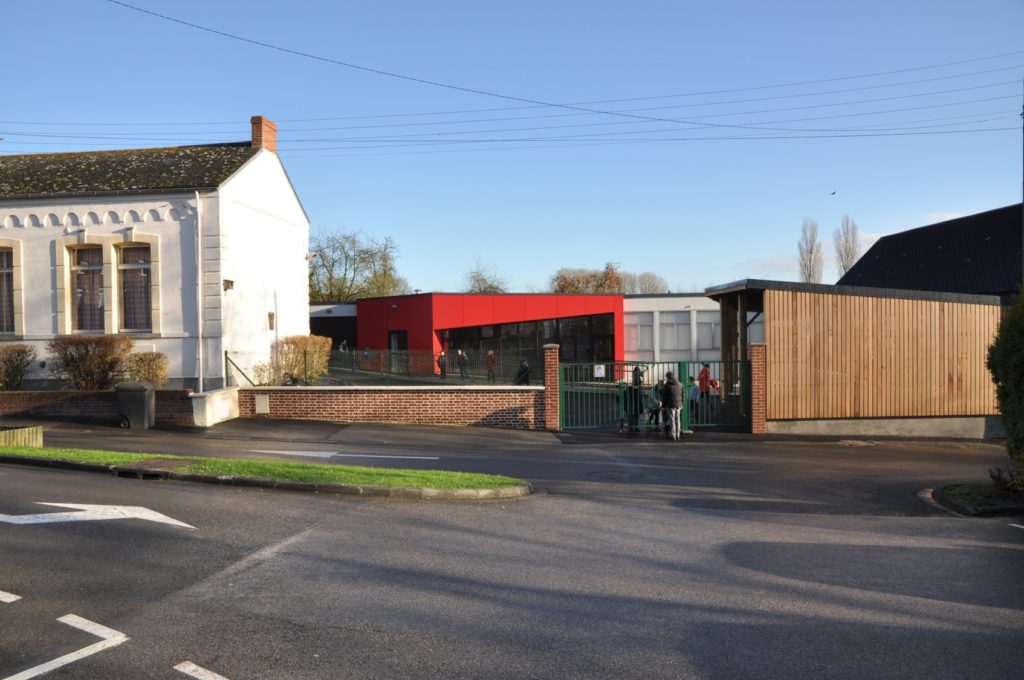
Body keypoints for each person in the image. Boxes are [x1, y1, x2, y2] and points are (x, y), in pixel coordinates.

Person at [660, 371, 683, 440]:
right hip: (679, 404)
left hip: (670, 405)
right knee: (678, 419)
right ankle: (678, 435)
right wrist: (682, 403)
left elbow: (664, 397)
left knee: (672, 420)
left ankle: (673, 435)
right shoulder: (680, 384)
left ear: (667, 377)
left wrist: (663, 406)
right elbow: (683, 394)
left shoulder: (667, 385)